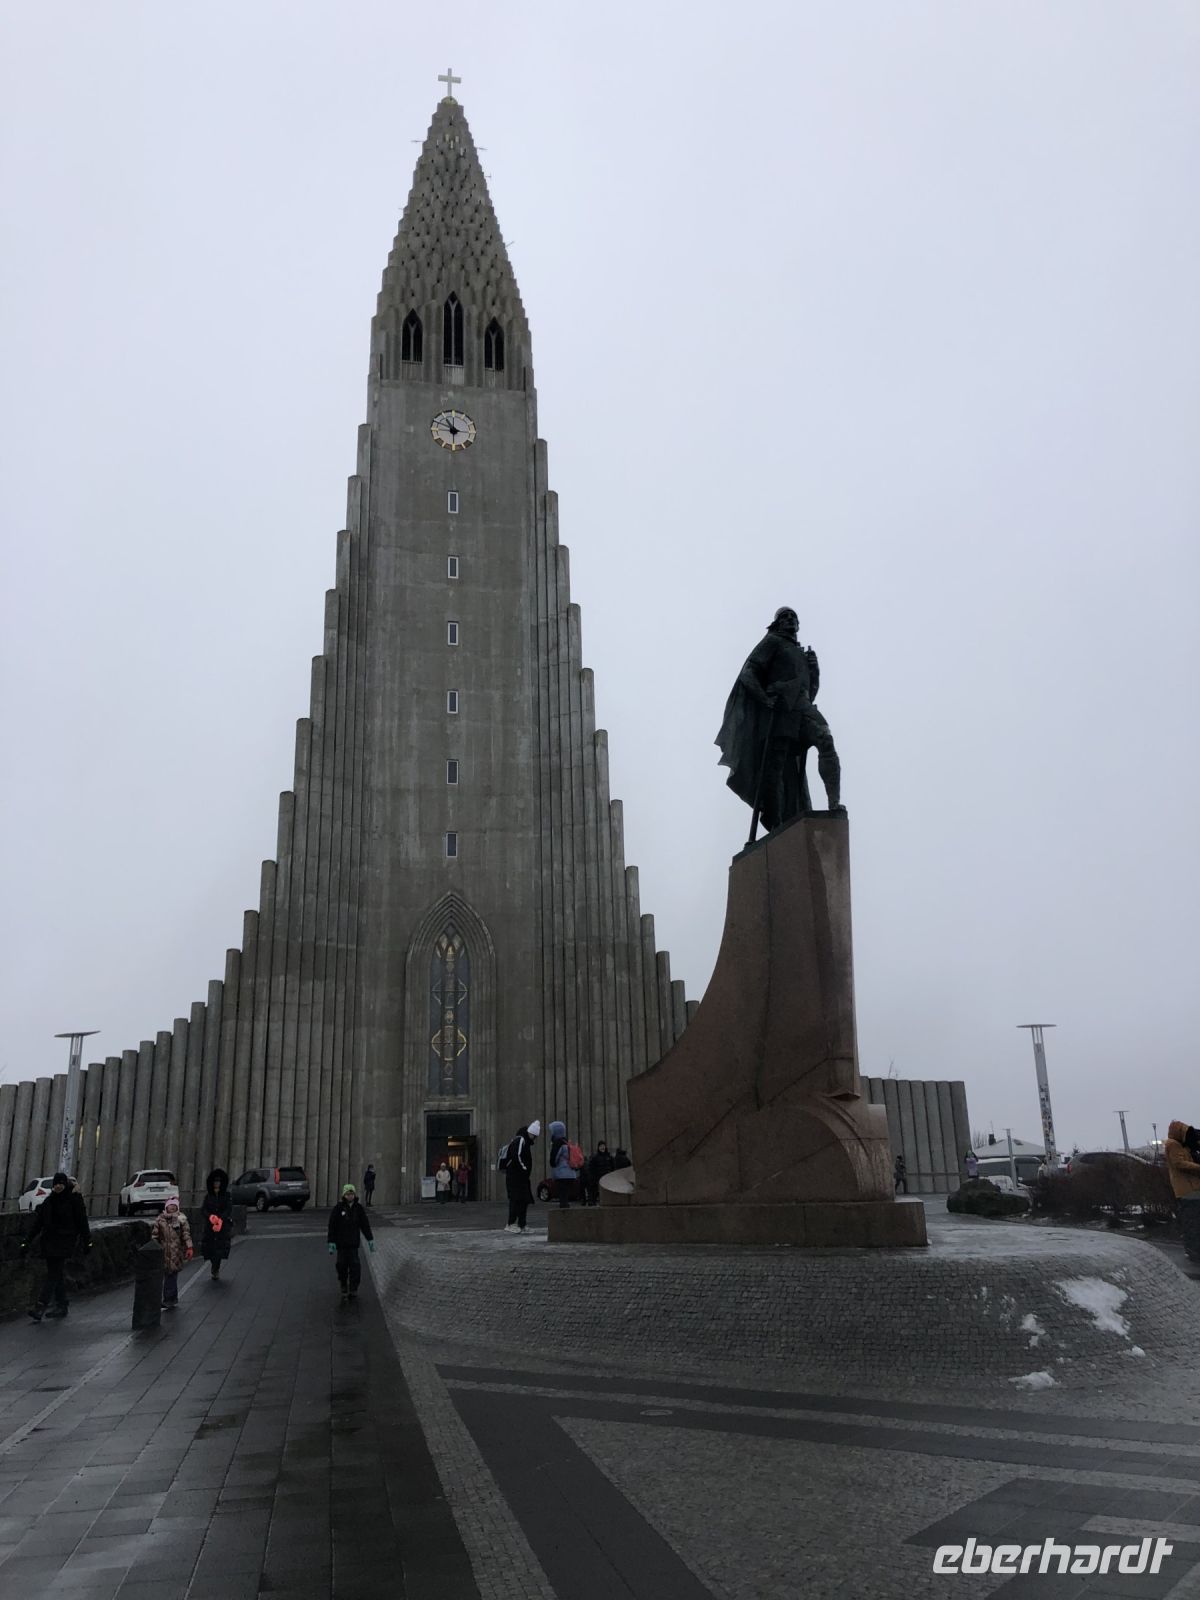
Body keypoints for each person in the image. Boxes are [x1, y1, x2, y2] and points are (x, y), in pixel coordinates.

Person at [715, 606, 844, 835]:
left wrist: (815, 672)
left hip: (802, 707)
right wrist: (764, 699)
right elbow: (748, 673)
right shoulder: (772, 642)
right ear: (776, 624)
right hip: (780, 710)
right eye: (784, 616)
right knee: (776, 768)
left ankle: (833, 803)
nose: (789, 619)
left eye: (793, 616)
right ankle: (777, 824)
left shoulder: (801, 653)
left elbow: (810, 691)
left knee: (825, 739)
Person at [23, 1172, 91, 1322]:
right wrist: (27, 1241)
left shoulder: (73, 1200)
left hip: (64, 1242)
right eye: (56, 1184)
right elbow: (38, 1224)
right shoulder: (49, 1202)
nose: (58, 1186)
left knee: (53, 1274)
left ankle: (40, 1306)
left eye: (61, 1183)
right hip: (49, 1243)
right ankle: (62, 1305)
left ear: (65, 1184)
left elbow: (82, 1221)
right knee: (57, 1274)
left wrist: (88, 1241)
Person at [327, 1182, 375, 1300]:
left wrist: (370, 1239)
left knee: (355, 1267)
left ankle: (353, 1287)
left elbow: (364, 1224)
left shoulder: (358, 1209)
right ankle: (343, 1284)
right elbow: (332, 1225)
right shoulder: (338, 1208)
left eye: (352, 1194)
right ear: (344, 1195)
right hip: (341, 1244)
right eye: (348, 1194)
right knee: (341, 1265)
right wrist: (331, 1241)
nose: (350, 1196)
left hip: (353, 1244)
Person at [151, 1196, 193, 1308]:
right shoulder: (160, 1220)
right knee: (169, 1275)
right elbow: (155, 1235)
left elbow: (186, 1234)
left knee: (171, 1275)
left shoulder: (181, 1219)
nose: (172, 1207)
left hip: (176, 1253)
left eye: (175, 1206)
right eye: (170, 1205)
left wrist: (189, 1247)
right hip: (164, 1253)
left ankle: (168, 1299)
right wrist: (155, 1247)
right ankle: (172, 1298)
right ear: (166, 1207)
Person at [502, 1119, 540, 1233]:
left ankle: (522, 1224)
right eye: (534, 1135)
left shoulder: (524, 1141)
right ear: (530, 1133)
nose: (534, 1138)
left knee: (524, 1200)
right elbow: (516, 1156)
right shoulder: (520, 1140)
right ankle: (511, 1223)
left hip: (521, 1177)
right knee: (516, 1199)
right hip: (516, 1177)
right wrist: (524, 1168)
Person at [201, 1168, 233, 1281]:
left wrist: (221, 1219)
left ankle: (216, 1268)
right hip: (210, 1226)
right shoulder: (208, 1196)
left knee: (219, 1249)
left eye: (218, 1181)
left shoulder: (226, 1195)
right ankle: (214, 1266)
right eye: (215, 1181)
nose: (217, 1183)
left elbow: (228, 1209)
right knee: (210, 1249)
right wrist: (210, 1217)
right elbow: (204, 1209)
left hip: (222, 1226)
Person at [548, 1121, 576, 1209]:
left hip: (562, 1174)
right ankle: (566, 1215)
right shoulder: (567, 1142)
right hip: (571, 1174)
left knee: (562, 1198)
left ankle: (564, 1218)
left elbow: (554, 1160)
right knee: (566, 1196)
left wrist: (552, 1163)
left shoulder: (558, 1143)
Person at [584, 1141, 616, 1206]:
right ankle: (593, 1202)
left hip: (607, 1178)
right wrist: (593, 1176)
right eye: (601, 1146)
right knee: (595, 1191)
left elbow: (613, 1167)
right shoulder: (595, 1157)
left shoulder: (609, 1157)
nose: (602, 1147)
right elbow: (591, 1168)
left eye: (603, 1146)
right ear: (598, 1148)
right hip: (598, 1177)